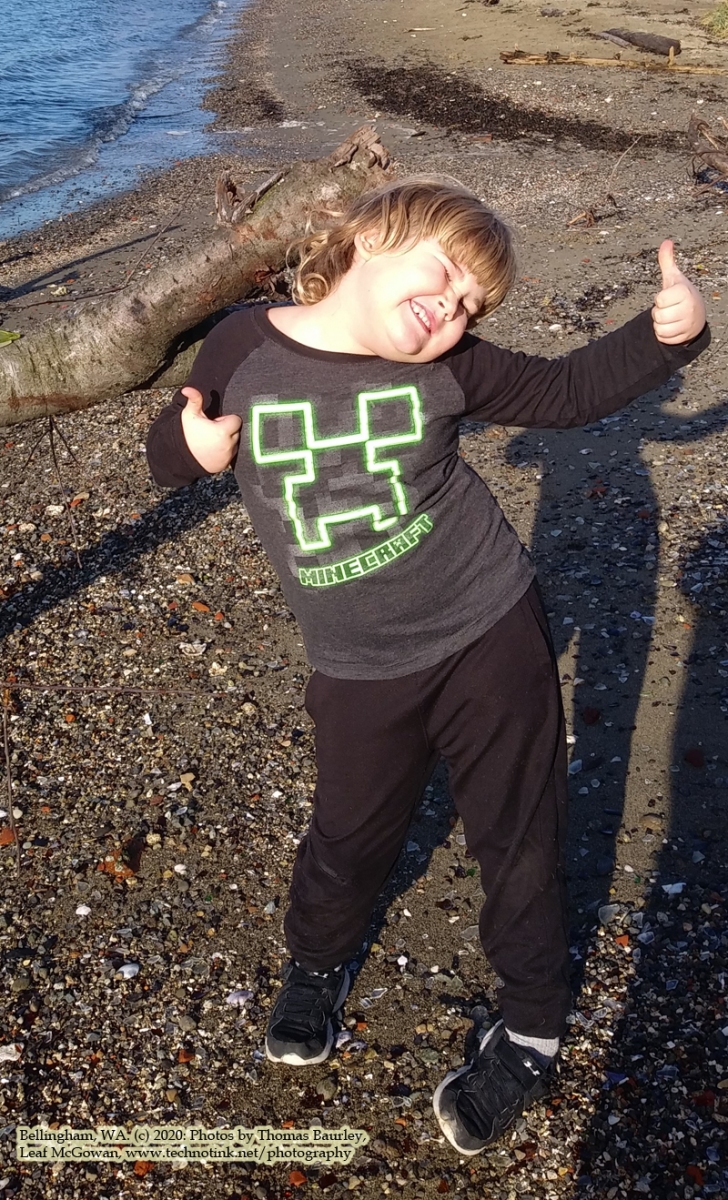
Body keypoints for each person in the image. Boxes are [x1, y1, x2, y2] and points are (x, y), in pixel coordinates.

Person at [146, 178, 708, 1155]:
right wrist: (187, 448)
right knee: (348, 832)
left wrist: (668, 339)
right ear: (369, 236)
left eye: (470, 306)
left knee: (519, 835)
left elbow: (567, 392)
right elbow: (166, 446)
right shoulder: (242, 347)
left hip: (489, 629)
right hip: (358, 665)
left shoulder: (446, 369)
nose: (451, 308)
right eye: (444, 276)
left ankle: (531, 1025)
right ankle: (315, 966)